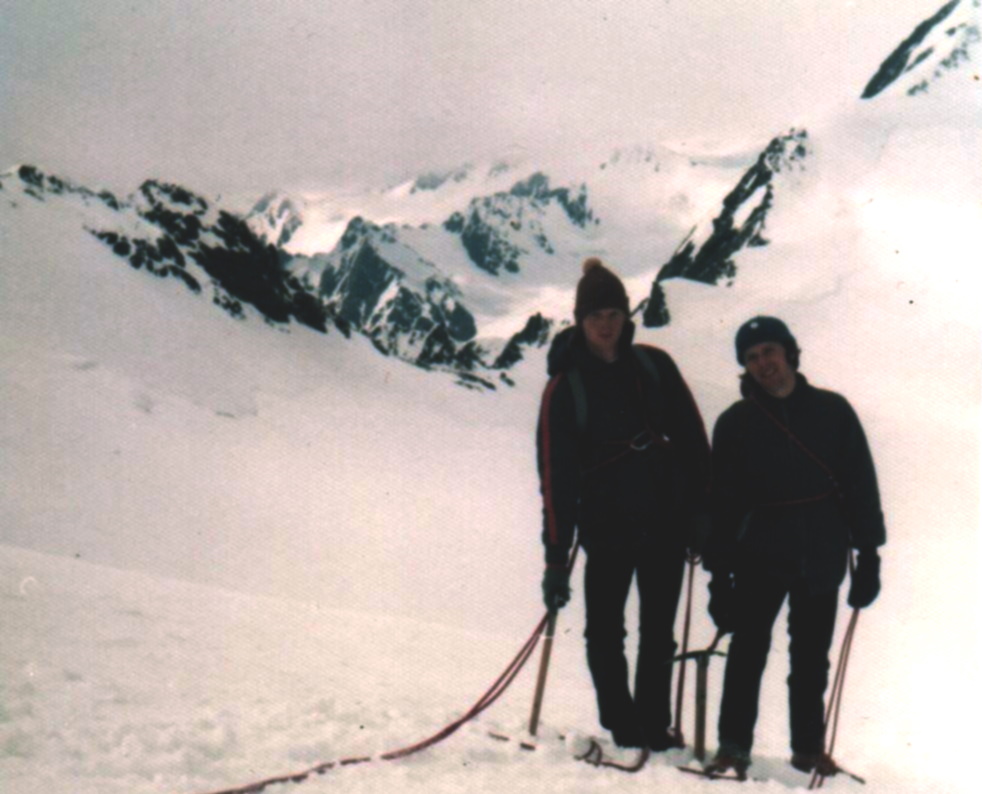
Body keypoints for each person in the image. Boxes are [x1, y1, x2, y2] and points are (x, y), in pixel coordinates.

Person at [536, 257, 711, 751]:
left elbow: (695, 443)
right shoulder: (564, 389)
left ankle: (653, 723)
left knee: (658, 632)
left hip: (665, 522)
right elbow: (556, 480)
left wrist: (701, 511)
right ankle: (622, 722)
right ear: (580, 321)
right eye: (596, 316)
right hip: (607, 529)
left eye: (613, 313)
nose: (606, 324)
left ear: (625, 315)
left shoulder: (655, 367)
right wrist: (555, 558)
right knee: (606, 633)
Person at [703, 316, 886, 777]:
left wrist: (869, 555)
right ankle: (733, 748)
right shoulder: (735, 422)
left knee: (810, 658)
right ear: (745, 367)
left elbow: (860, 484)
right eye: (752, 357)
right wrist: (718, 577)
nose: (763, 363)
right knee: (747, 652)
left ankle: (807, 750)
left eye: (768, 351)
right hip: (759, 554)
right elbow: (721, 504)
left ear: (788, 351)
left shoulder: (833, 411)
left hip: (822, 552)